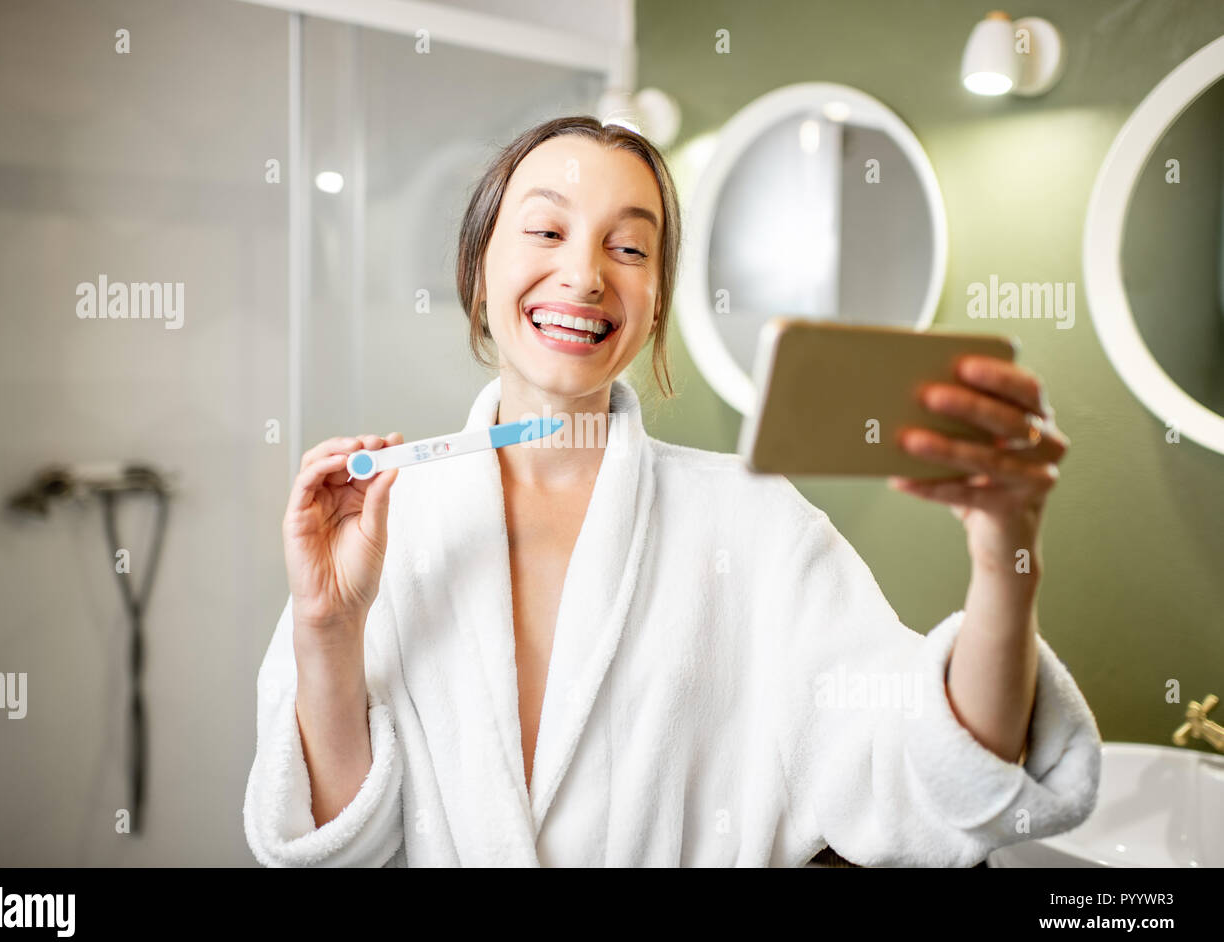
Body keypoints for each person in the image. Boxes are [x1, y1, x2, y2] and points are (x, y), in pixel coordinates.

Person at [243, 115, 1100, 867]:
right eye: (546, 231)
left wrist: (1004, 557)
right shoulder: (390, 529)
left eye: (628, 247)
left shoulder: (755, 526)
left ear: (654, 306)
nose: (583, 275)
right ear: (478, 268)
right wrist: (329, 625)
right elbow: (333, 847)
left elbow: (937, 781)